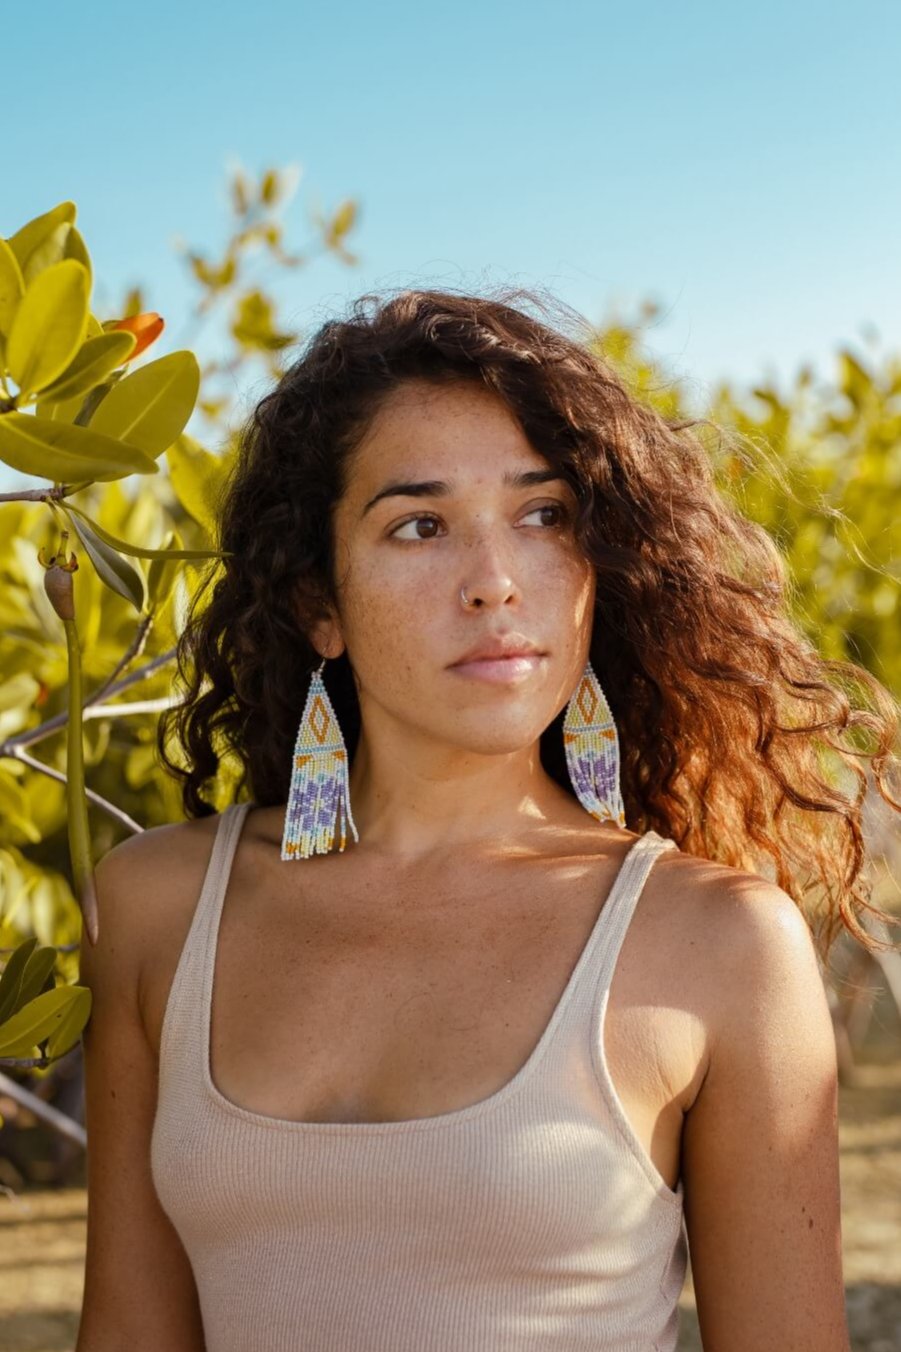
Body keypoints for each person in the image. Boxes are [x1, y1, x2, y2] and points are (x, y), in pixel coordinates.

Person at [76, 286, 898, 1351]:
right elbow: (128, 1332)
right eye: (419, 526)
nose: (495, 583)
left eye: (542, 515)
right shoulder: (156, 907)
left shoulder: (719, 942)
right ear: (318, 603)